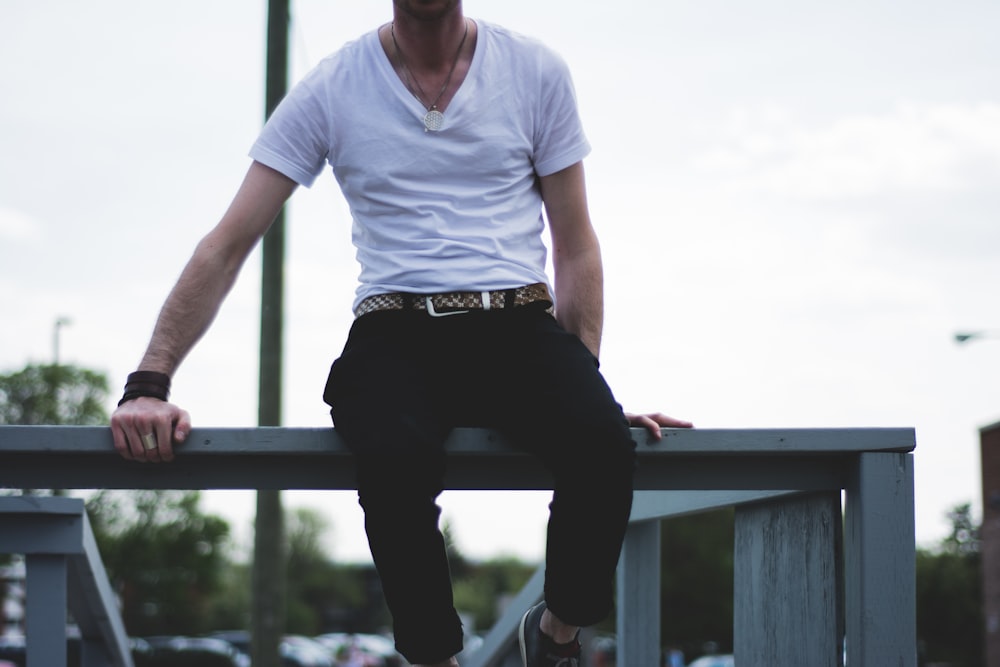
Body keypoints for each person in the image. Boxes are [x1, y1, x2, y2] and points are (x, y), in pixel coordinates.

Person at [109, 2, 692, 666]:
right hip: (396, 329)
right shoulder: (334, 86)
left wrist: (582, 383)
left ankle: (556, 634)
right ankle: (433, 657)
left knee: (602, 446)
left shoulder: (533, 70)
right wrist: (149, 382)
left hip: (516, 322)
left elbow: (576, 245)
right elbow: (228, 243)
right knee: (391, 457)